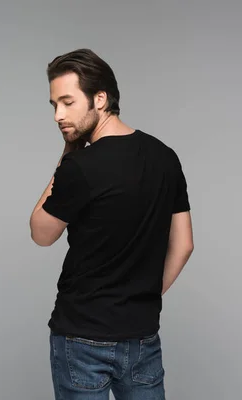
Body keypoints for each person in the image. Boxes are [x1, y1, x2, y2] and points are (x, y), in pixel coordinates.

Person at [29, 48, 194, 400]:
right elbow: (184, 245)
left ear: (100, 98)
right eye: (53, 104)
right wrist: (142, 296)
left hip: (81, 339)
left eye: (67, 102)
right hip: (142, 337)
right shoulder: (165, 157)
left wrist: (69, 153)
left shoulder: (80, 167)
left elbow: (41, 233)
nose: (58, 115)